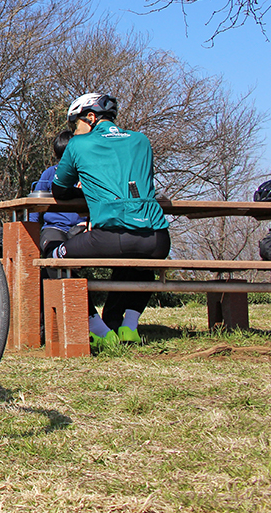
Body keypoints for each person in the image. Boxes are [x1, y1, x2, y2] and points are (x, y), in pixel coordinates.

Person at [49, 92, 170, 351]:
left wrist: (86, 192)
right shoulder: (141, 140)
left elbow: (59, 190)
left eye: (76, 123)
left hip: (111, 236)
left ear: (90, 118)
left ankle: (98, 330)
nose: (75, 130)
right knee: (140, 263)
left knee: (52, 259)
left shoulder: (78, 145)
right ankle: (129, 326)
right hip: (158, 238)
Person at [29, 130, 87, 256]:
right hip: (54, 227)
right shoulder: (50, 173)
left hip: (81, 227)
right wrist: (32, 236)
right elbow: (34, 206)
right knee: (53, 253)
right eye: (61, 158)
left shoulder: (87, 175)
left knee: (78, 252)